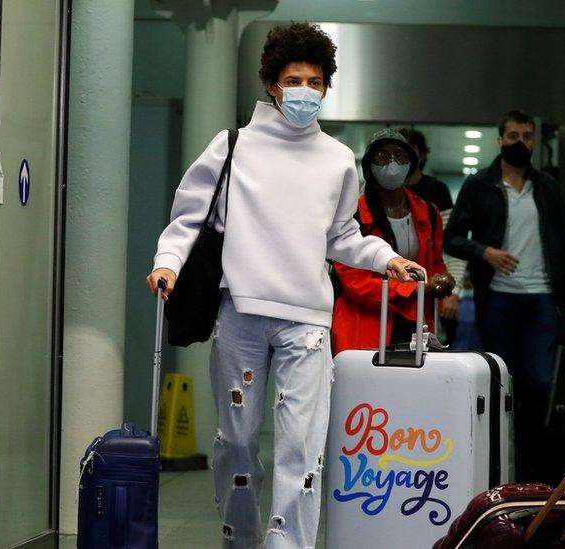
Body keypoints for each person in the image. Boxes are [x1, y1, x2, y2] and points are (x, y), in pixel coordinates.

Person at [145, 23, 425, 549]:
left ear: (326, 86)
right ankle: (240, 539)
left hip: (309, 322)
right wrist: (168, 263)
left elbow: (343, 236)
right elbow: (188, 218)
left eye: (315, 81)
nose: (304, 91)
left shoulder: (338, 159)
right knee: (237, 443)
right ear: (273, 84)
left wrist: (385, 258)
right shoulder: (234, 146)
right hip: (240, 314)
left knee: (303, 449)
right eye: (294, 79)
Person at [443, 110, 565, 483]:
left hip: (541, 299)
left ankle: (528, 471)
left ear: (535, 140)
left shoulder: (547, 188)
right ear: (500, 140)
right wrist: (486, 252)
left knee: (538, 383)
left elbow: (563, 247)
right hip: (498, 299)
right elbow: (452, 237)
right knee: (501, 384)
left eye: (526, 135)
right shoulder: (480, 185)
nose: (519, 142)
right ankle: (496, 468)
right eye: (512, 135)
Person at [331, 129, 454, 353]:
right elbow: (355, 282)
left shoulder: (428, 213)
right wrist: (413, 289)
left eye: (400, 156)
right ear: (370, 165)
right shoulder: (352, 213)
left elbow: (434, 262)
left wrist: (440, 280)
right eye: (382, 156)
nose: (392, 163)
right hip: (364, 328)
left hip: (415, 325)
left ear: (412, 164)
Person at [397, 127, 467, 345]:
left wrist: (453, 291)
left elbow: (452, 246)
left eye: (411, 151)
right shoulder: (372, 192)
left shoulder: (437, 191)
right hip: (392, 286)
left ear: (423, 154)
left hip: (430, 290)